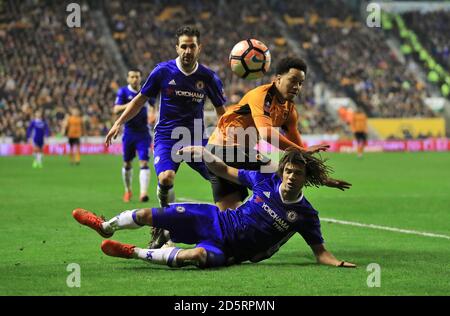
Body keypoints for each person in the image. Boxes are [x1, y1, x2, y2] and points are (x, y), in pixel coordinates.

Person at [72, 146, 356, 269]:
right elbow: (223, 169)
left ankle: (131, 252)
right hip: (212, 219)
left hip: (231, 252)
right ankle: (105, 226)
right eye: (289, 171)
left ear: (306, 179)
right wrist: (203, 154)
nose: (292, 177)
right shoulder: (263, 180)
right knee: (148, 216)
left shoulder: (305, 215)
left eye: (298, 174)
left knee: (195, 255)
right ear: (282, 171)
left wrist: (337, 263)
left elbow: (321, 253)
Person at [105, 26, 227, 247]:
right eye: (184, 46)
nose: (188, 51)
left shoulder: (208, 77)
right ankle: (164, 227)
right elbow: (139, 100)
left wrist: (225, 138)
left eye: (192, 46)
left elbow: (222, 113)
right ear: (177, 47)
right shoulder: (163, 71)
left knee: (223, 178)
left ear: (199, 48)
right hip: (167, 137)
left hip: (197, 139)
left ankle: (233, 228)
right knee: (166, 178)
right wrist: (118, 122)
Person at [207, 57, 329, 211]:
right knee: (282, 172)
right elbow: (267, 134)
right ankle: (293, 217)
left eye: (300, 83)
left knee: (228, 216)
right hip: (224, 149)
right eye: (292, 80)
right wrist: (303, 152)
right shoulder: (261, 95)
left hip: (226, 153)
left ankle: (173, 233)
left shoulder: (289, 110)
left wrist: (322, 177)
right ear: (278, 79)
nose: (297, 86)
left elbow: (297, 150)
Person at [113, 69, 155, 202]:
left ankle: (143, 193)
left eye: (137, 77)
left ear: (140, 78)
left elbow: (153, 106)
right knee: (127, 163)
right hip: (129, 133)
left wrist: (152, 114)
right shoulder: (123, 92)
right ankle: (128, 190)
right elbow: (116, 109)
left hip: (143, 133)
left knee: (144, 162)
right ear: (128, 79)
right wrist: (134, 103)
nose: (135, 79)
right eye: (132, 77)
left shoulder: (146, 90)